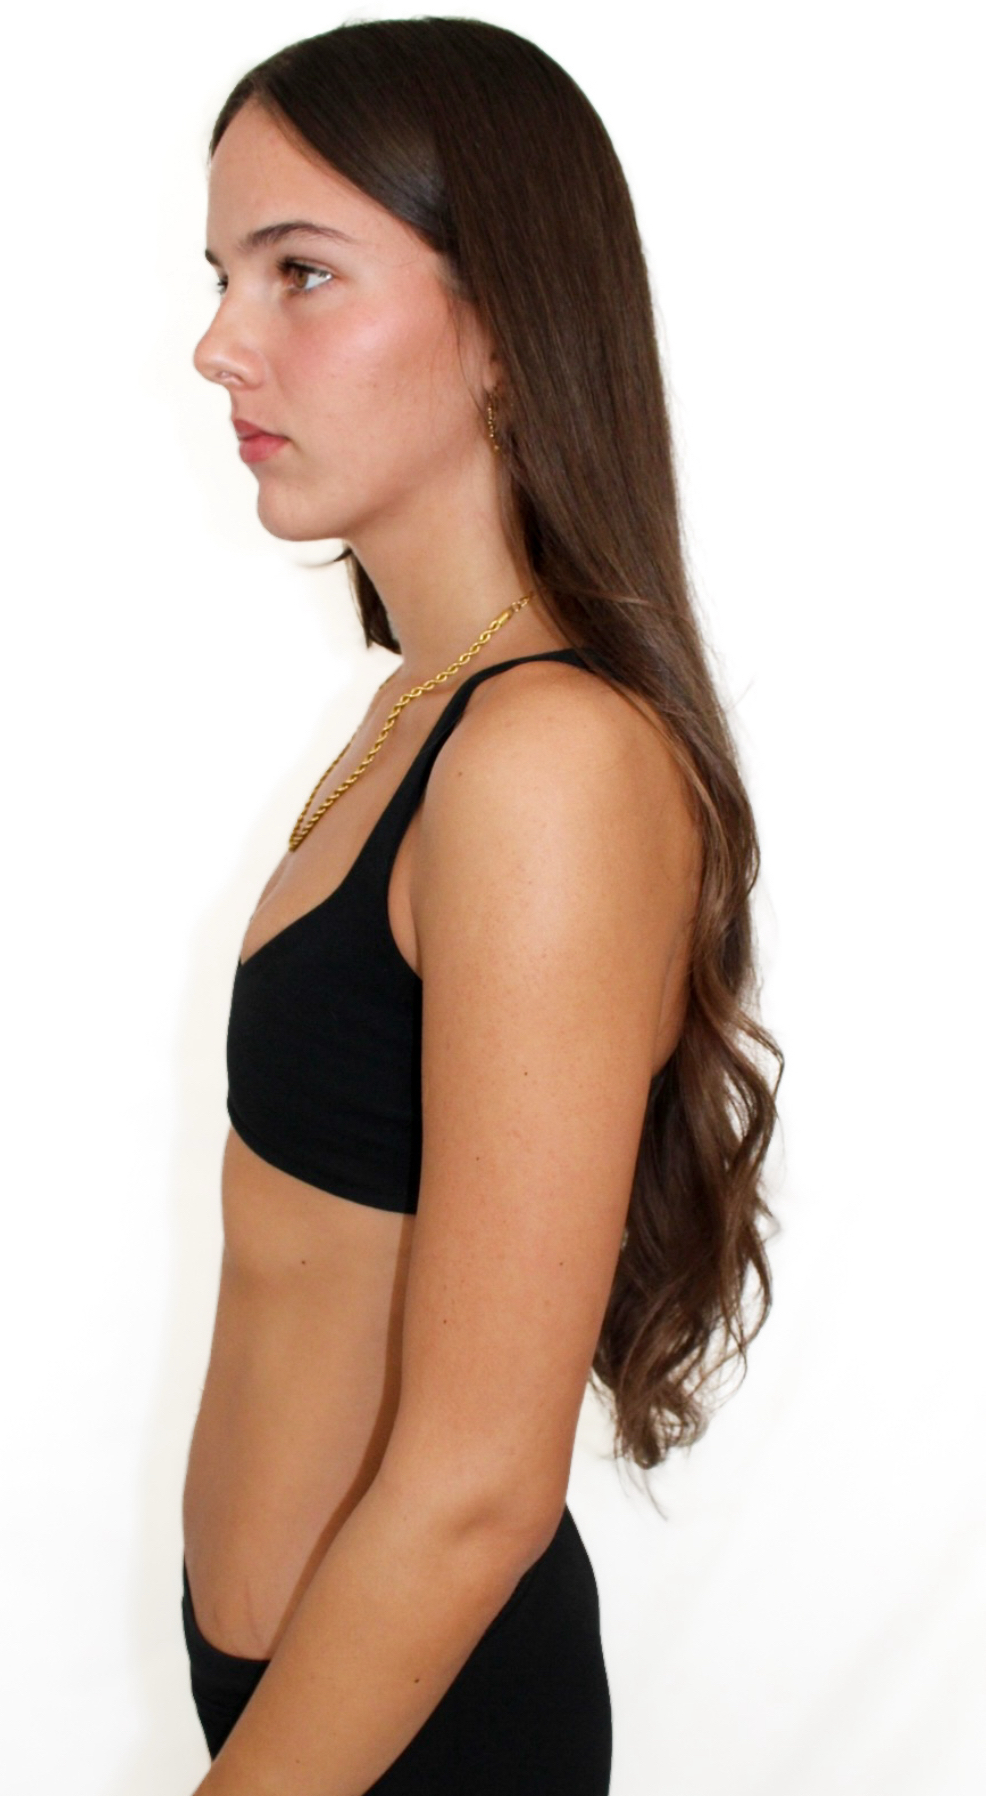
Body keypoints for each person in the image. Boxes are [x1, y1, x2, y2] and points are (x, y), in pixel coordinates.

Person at [178, 18, 782, 1795]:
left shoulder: (547, 759)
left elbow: (475, 1491)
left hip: (413, 1733)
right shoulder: (421, 708)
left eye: (301, 272)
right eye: (222, 276)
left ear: (508, 321)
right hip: (312, 1705)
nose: (220, 343)